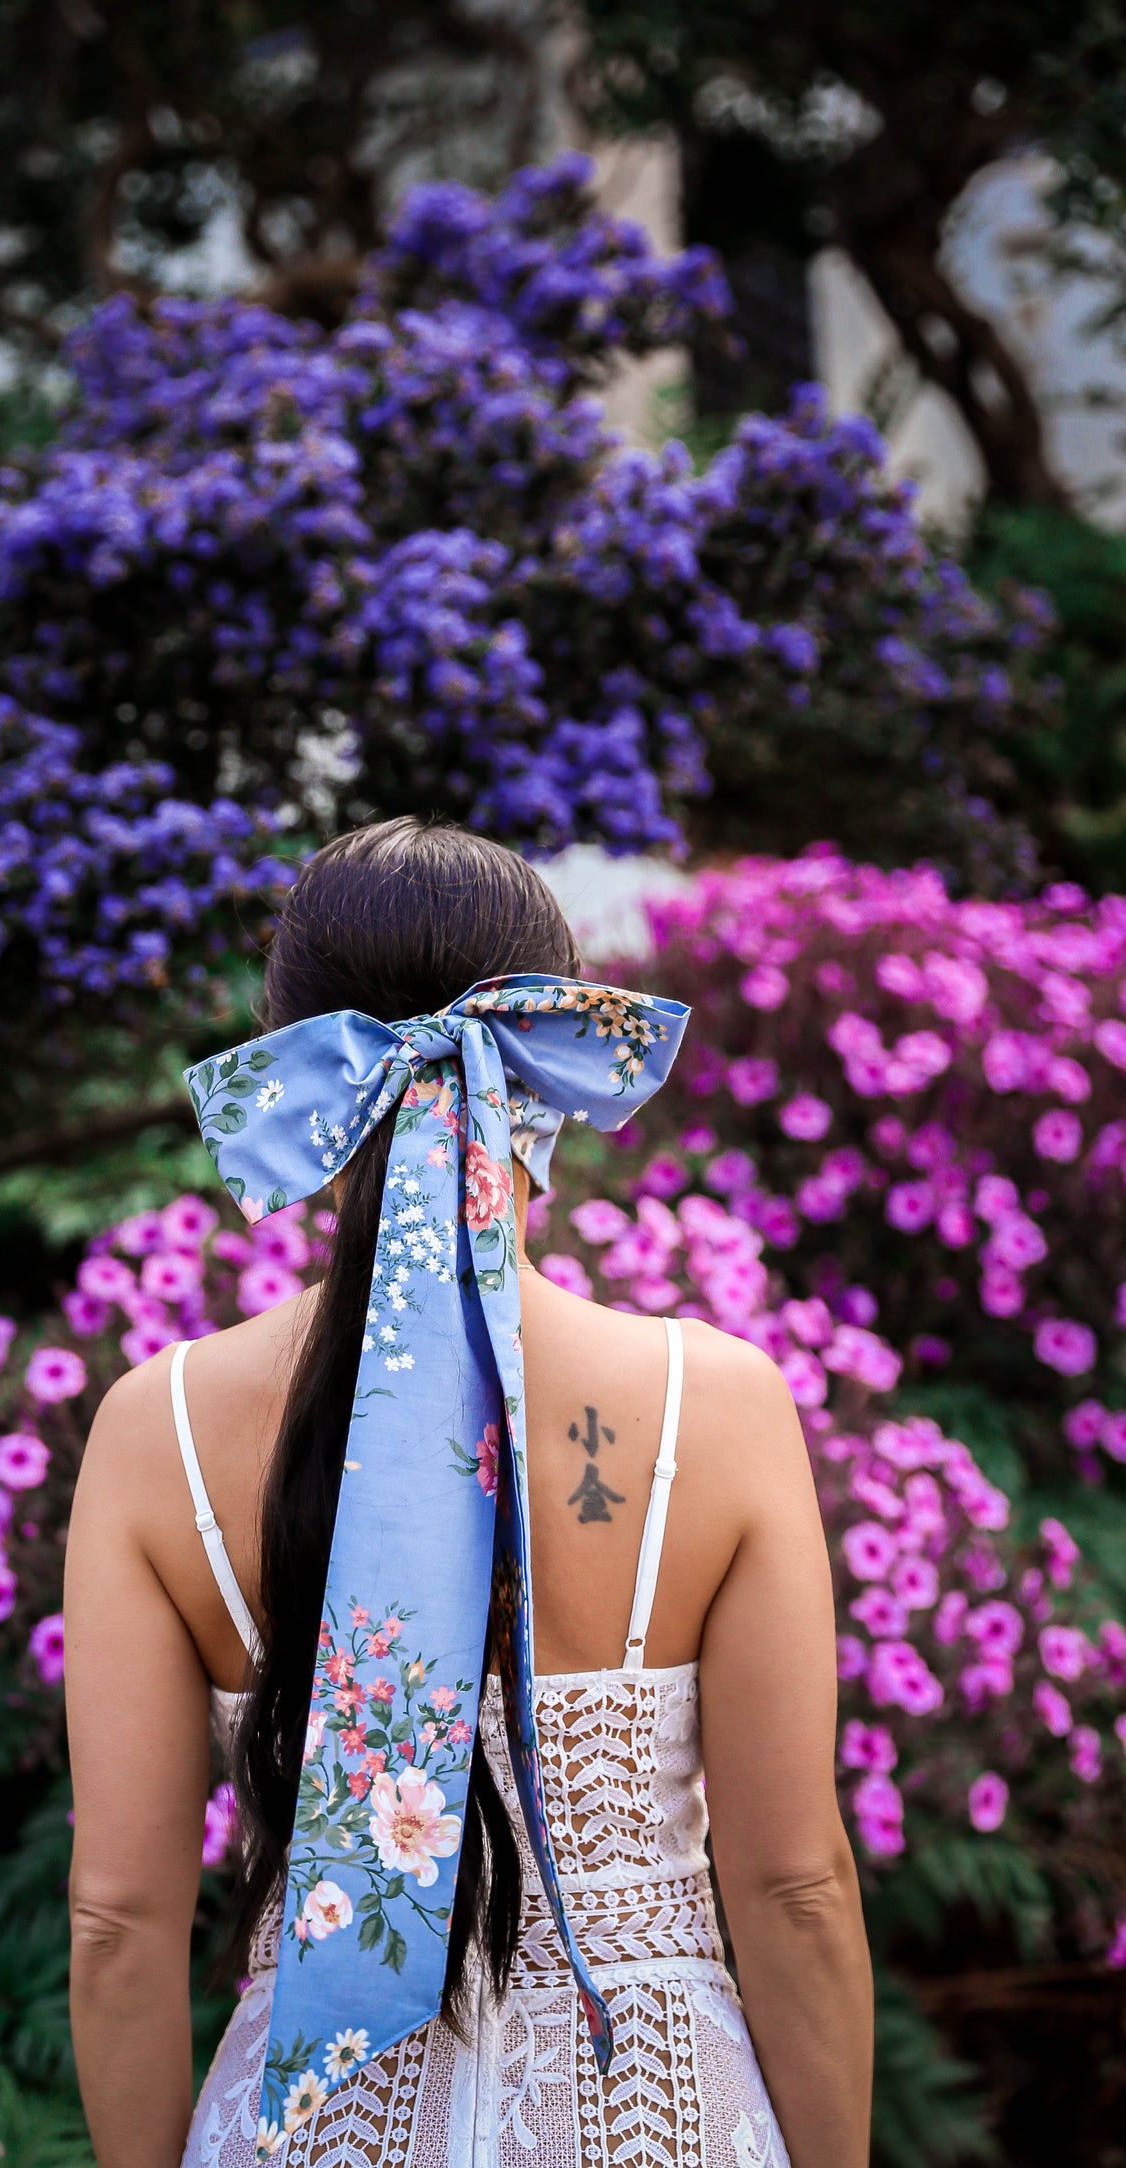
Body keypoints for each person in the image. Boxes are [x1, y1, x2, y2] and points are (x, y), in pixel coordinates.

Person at [64, 817, 873, 2168]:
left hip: (313, 2132)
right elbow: (794, 1887)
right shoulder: (713, 1407)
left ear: (300, 1063)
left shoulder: (157, 1432)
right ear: (549, 1063)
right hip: (653, 2124)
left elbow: (117, 1923)